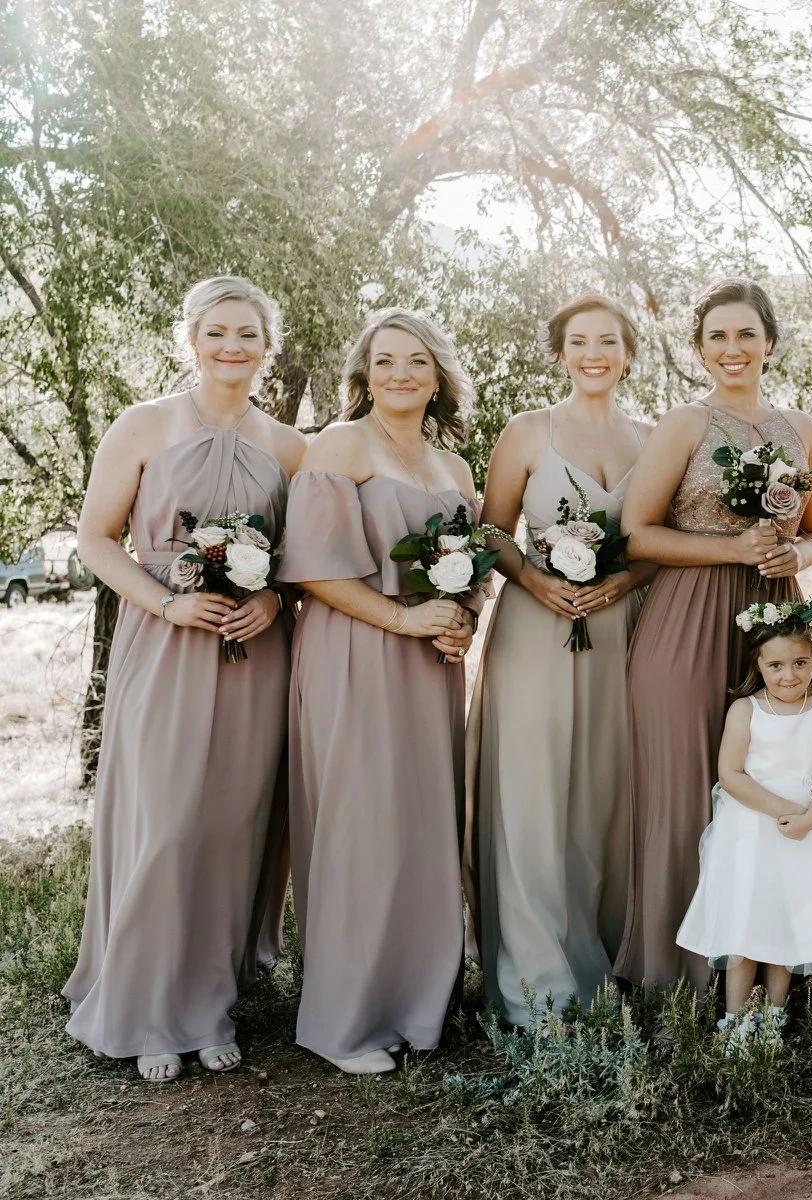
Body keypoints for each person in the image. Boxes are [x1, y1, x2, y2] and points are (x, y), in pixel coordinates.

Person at [64, 276, 305, 1083]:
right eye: (217, 333)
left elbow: (304, 563)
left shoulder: (291, 446)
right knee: (164, 823)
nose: (232, 348)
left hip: (253, 655)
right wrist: (168, 604)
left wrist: (272, 599)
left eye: (248, 334)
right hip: (165, 641)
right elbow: (96, 542)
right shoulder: (143, 425)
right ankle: (144, 1008)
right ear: (191, 340)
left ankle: (207, 1006)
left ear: (268, 346)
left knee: (231, 826)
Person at [279, 308, 480, 1074]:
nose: (401, 374)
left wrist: (463, 617)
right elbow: (315, 569)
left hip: (431, 665)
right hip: (356, 654)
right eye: (386, 360)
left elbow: (468, 570)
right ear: (364, 374)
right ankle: (345, 1021)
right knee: (363, 826)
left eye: (417, 361)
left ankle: (415, 1006)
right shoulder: (340, 445)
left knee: (419, 826)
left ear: (438, 377)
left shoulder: (454, 469)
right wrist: (403, 616)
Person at [616, 278, 812, 991]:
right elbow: (636, 534)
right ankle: (675, 980)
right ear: (699, 349)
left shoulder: (802, 428)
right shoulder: (685, 423)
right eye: (717, 337)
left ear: (769, 341)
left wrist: (792, 555)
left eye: (745, 335)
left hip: (775, 620)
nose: (732, 349)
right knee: (682, 792)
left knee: (770, 781)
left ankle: (761, 971)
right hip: (686, 618)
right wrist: (732, 549)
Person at [468, 293, 656, 1024]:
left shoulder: (652, 438)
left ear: (629, 353)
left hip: (620, 627)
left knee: (607, 793)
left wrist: (620, 581)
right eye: (579, 341)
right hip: (534, 628)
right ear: (560, 352)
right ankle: (535, 983)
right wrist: (536, 580)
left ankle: (607, 958)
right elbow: (492, 534)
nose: (594, 353)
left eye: (608, 340)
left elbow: (657, 545)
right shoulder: (525, 434)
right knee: (533, 791)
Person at [676, 602, 812, 1029]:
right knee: (746, 921)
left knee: (788, 921)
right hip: (753, 829)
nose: (789, 675)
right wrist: (788, 812)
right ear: (758, 665)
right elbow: (730, 774)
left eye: (800, 663)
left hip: (809, 830)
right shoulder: (745, 710)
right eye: (776, 665)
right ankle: (734, 1019)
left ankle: (774, 1017)